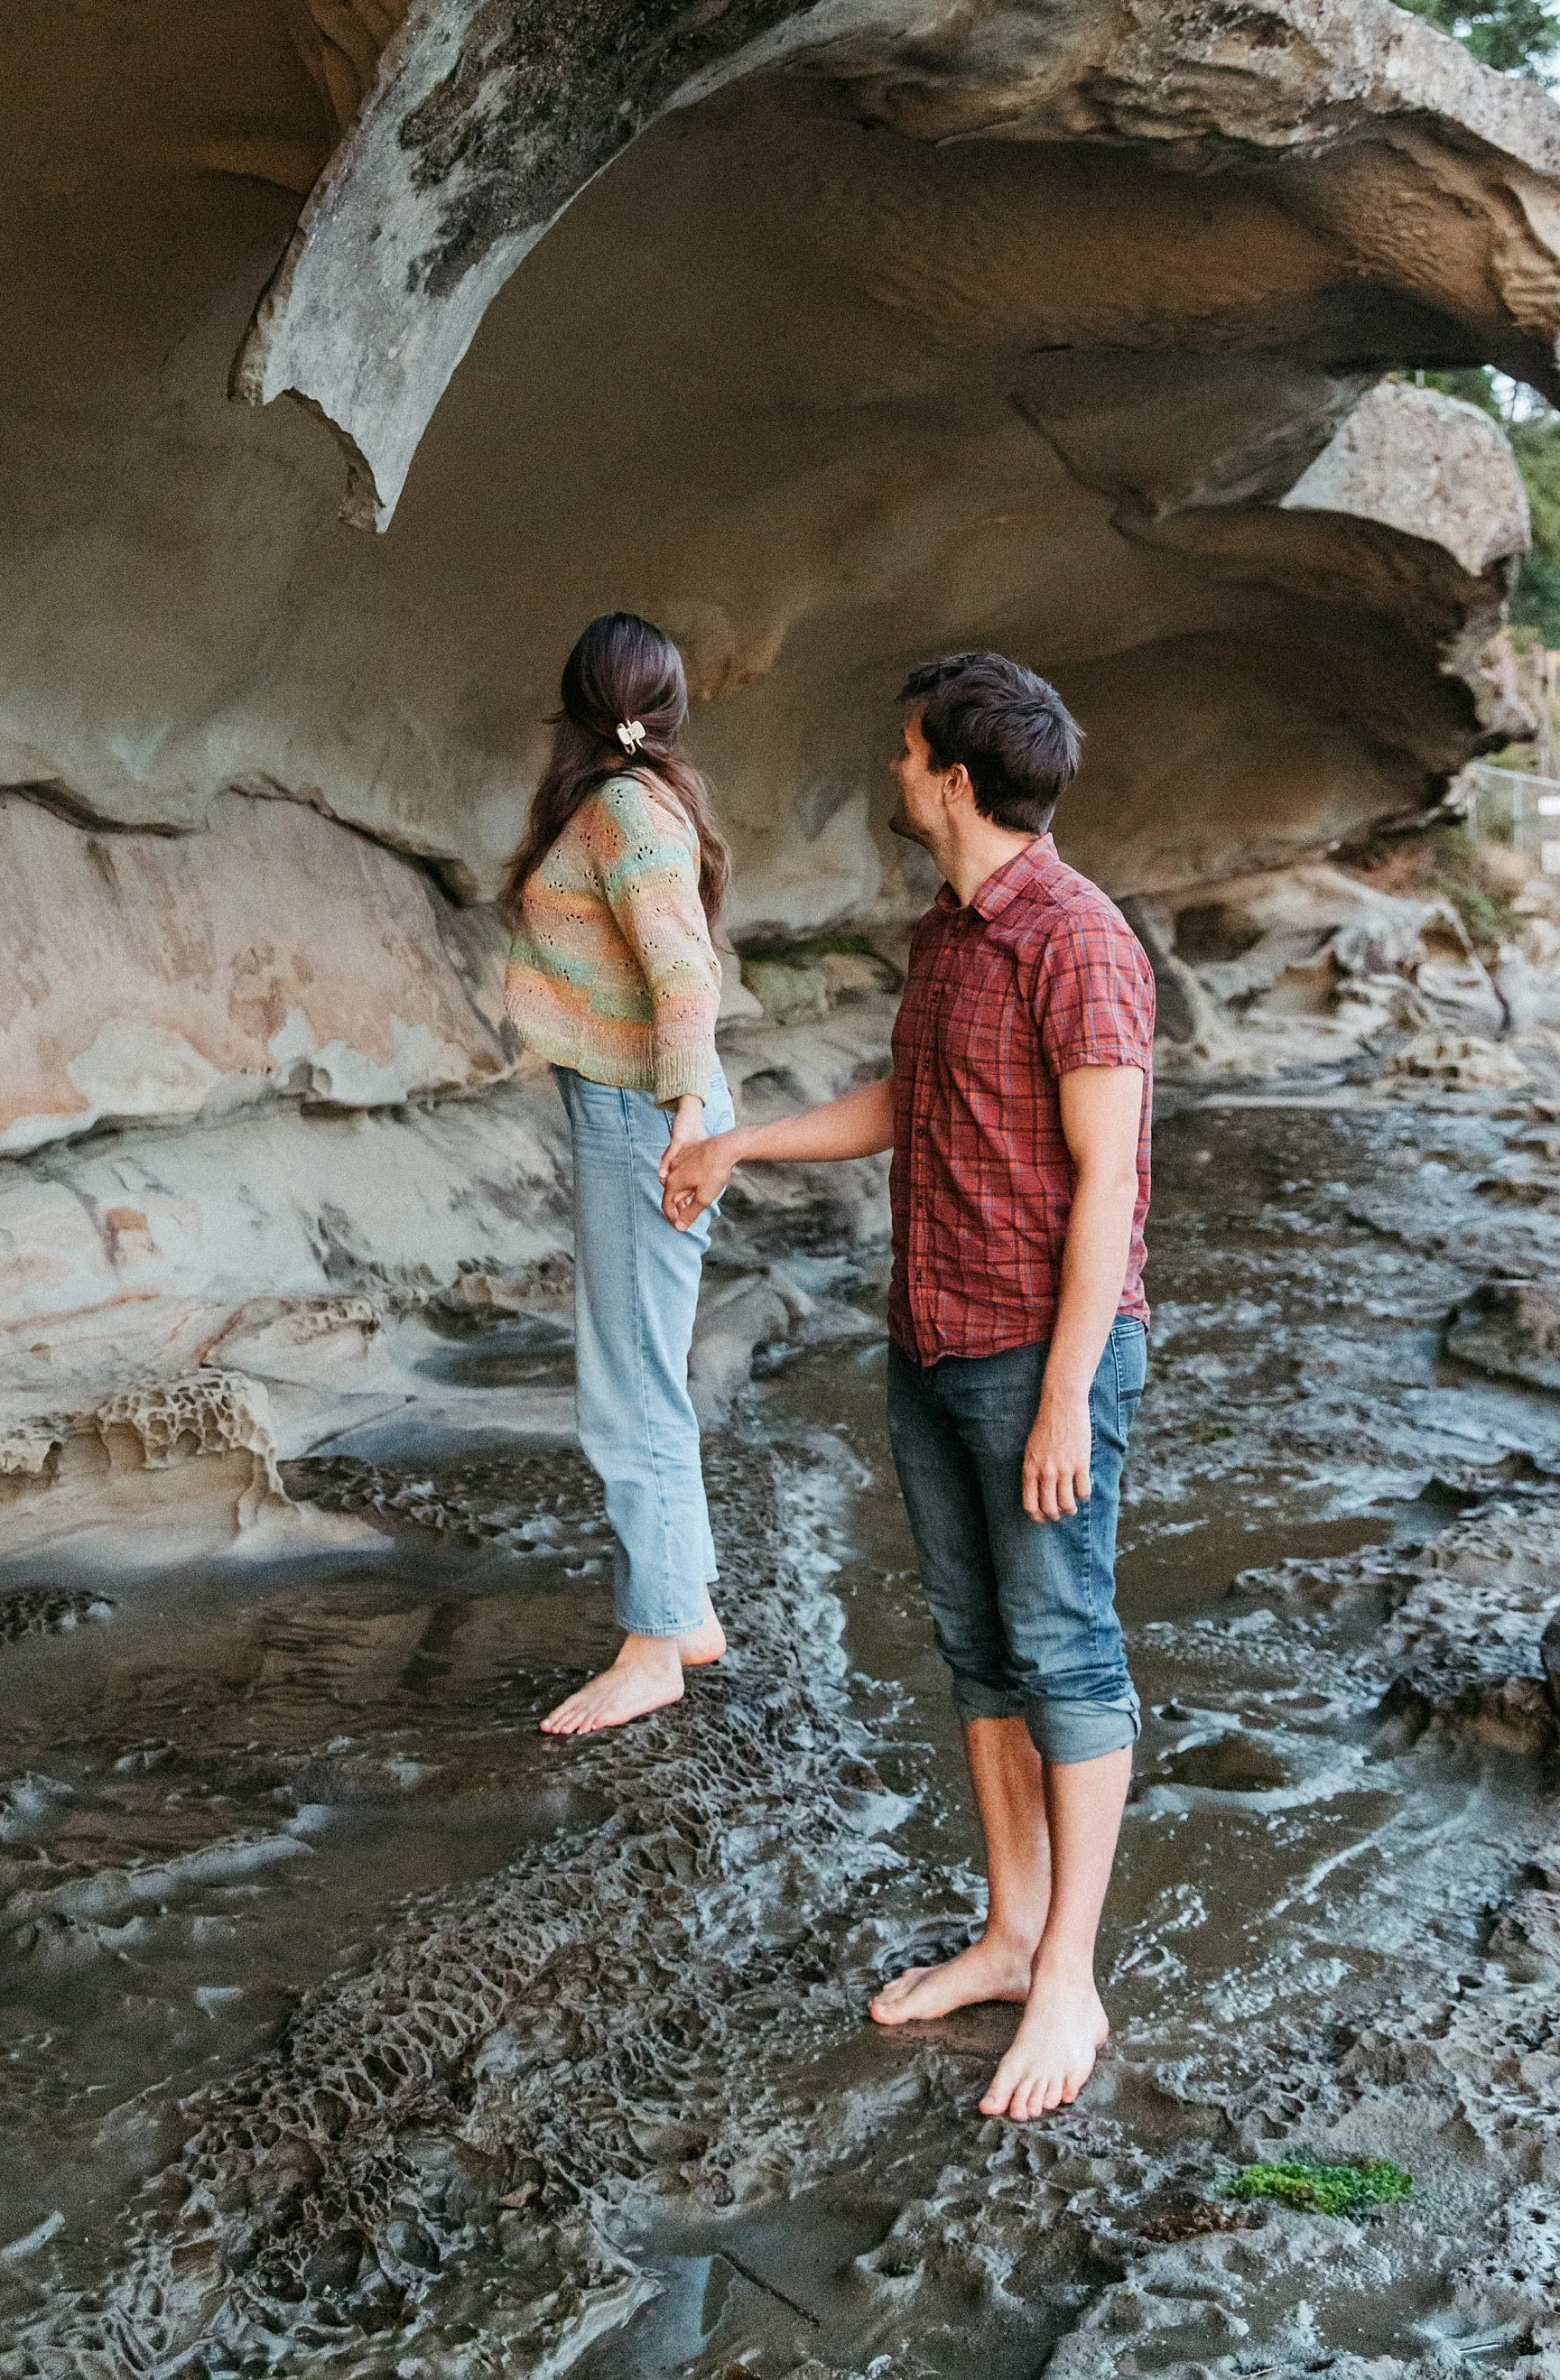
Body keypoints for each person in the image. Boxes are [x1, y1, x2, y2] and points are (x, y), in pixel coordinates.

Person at [663, 650, 1153, 2122]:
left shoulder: (1079, 939)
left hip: (1038, 1350)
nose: (891, 769)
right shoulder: (950, 930)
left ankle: (1068, 1970)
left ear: (952, 775)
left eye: (903, 750)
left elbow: (1110, 1184)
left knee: (1065, 1645)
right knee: (977, 1646)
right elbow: (912, 1104)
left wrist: (1067, 1393)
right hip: (931, 1332)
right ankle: (1009, 1933)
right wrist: (743, 1145)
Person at [503, 610, 736, 1736]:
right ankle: (683, 1611)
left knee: (626, 1390)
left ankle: (653, 1647)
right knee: (646, 1372)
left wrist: (685, 1119)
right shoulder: (630, 803)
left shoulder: (624, 808)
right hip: (641, 1113)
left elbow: (683, 971)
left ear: (577, 697)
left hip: (647, 1120)